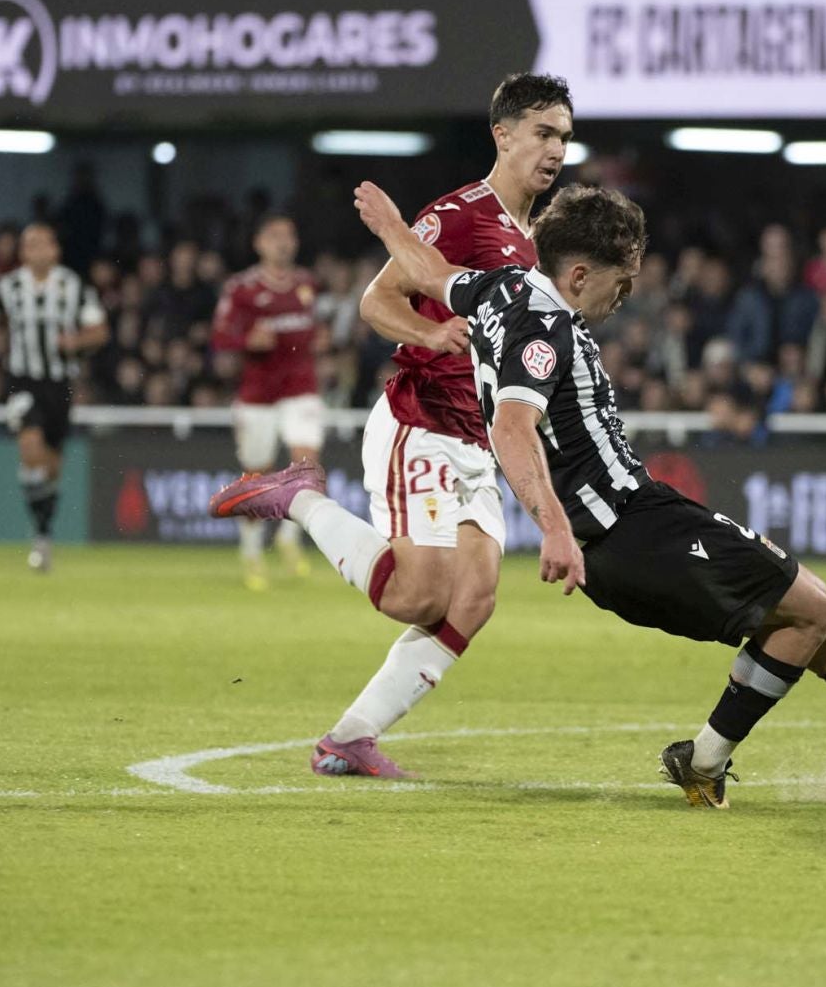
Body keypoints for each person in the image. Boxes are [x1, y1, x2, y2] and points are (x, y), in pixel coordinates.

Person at [256, 179, 826, 808]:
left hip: (626, 540)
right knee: (815, 606)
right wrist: (552, 527)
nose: (626, 294)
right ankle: (702, 764)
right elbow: (513, 429)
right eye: (621, 279)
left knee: (797, 630)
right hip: (633, 527)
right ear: (579, 276)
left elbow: (430, 270)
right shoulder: (543, 325)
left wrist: (389, 226)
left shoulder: (499, 290)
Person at [208, 73, 574, 779]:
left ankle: (350, 738)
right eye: (543, 133)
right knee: (418, 594)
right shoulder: (462, 213)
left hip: (478, 435)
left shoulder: (538, 236)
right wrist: (430, 337)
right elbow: (377, 303)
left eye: (563, 135)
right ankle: (297, 497)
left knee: (476, 596)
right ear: (503, 135)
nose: (556, 149)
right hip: (422, 419)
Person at [0, 222, 107, 572]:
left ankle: (42, 533)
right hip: (22, 380)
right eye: (29, 244)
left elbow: (99, 330)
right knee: (30, 447)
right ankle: (41, 533)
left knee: (50, 468)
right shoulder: (8, 286)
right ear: (22, 253)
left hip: (60, 385)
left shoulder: (72, 286)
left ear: (55, 250)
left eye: (42, 243)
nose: (35, 250)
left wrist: (76, 342)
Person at [209, 213, 322, 589]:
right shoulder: (242, 288)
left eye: (289, 235)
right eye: (274, 236)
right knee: (257, 476)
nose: (283, 242)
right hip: (257, 395)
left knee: (305, 464)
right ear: (259, 243)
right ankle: (252, 552)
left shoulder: (307, 283)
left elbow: (312, 330)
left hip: (300, 388)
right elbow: (220, 336)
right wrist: (246, 342)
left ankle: (289, 541)